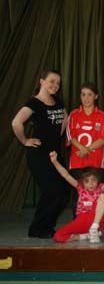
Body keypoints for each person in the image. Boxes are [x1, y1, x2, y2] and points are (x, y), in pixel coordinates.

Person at [11, 70, 69, 238]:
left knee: (64, 191)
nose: (55, 85)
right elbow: (16, 122)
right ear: (42, 81)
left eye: (58, 83)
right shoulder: (34, 103)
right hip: (38, 155)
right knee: (52, 191)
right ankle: (38, 228)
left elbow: (65, 119)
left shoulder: (58, 101)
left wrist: (56, 135)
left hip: (54, 155)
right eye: (52, 81)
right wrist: (24, 141)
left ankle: (46, 226)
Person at [50, 152, 104, 243]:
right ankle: (86, 235)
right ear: (82, 182)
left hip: (97, 220)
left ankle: (94, 228)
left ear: (98, 181)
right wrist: (55, 161)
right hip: (81, 220)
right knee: (58, 236)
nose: (91, 183)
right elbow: (66, 175)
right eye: (87, 181)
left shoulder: (101, 188)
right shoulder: (80, 188)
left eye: (94, 180)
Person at [66, 83, 104, 173]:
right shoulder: (74, 115)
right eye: (83, 94)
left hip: (96, 162)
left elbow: (103, 139)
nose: (86, 98)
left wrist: (86, 150)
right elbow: (71, 137)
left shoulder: (102, 116)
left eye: (90, 94)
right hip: (77, 162)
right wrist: (83, 149)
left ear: (96, 96)